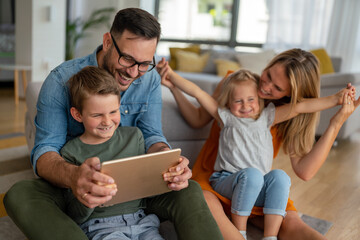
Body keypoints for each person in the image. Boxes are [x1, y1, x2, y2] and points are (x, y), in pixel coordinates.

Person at [4, 8, 223, 240]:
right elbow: (45, 151)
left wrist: (170, 162)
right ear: (108, 41)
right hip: (74, 188)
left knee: (189, 189)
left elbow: (152, 135)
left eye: (144, 63)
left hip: (135, 190)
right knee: (20, 194)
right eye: (128, 58)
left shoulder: (148, 78)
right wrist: (75, 177)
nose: (133, 72)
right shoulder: (60, 81)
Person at [157, 48, 360, 240]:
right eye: (269, 75)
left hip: (260, 184)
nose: (266, 86)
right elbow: (198, 113)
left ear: (289, 95)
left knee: (291, 218)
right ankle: (240, 231)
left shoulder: (278, 114)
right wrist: (173, 85)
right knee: (205, 204)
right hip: (217, 181)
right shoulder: (236, 84)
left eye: (277, 88)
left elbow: (305, 171)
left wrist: (337, 120)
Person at [63, 66, 163, 239]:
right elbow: (74, 213)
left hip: (142, 222)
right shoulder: (70, 152)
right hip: (100, 227)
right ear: (78, 115)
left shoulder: (134, 137)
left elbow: (146, 190)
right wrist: (89, 197)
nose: (107, 121)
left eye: (113, 111)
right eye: (97, 115)